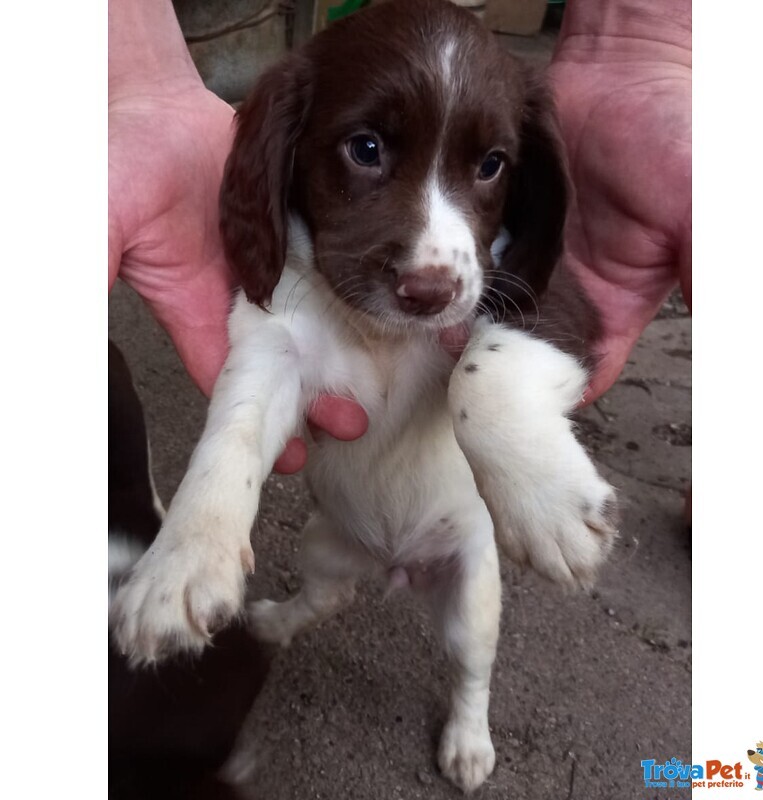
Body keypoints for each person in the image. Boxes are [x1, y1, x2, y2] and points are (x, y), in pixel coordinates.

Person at [109, 0, 691, 474]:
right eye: (366, 151)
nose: (430, 265)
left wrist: (640, 48)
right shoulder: (297, 101)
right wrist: (135, 78)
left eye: (488, 166)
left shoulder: (526, 146)